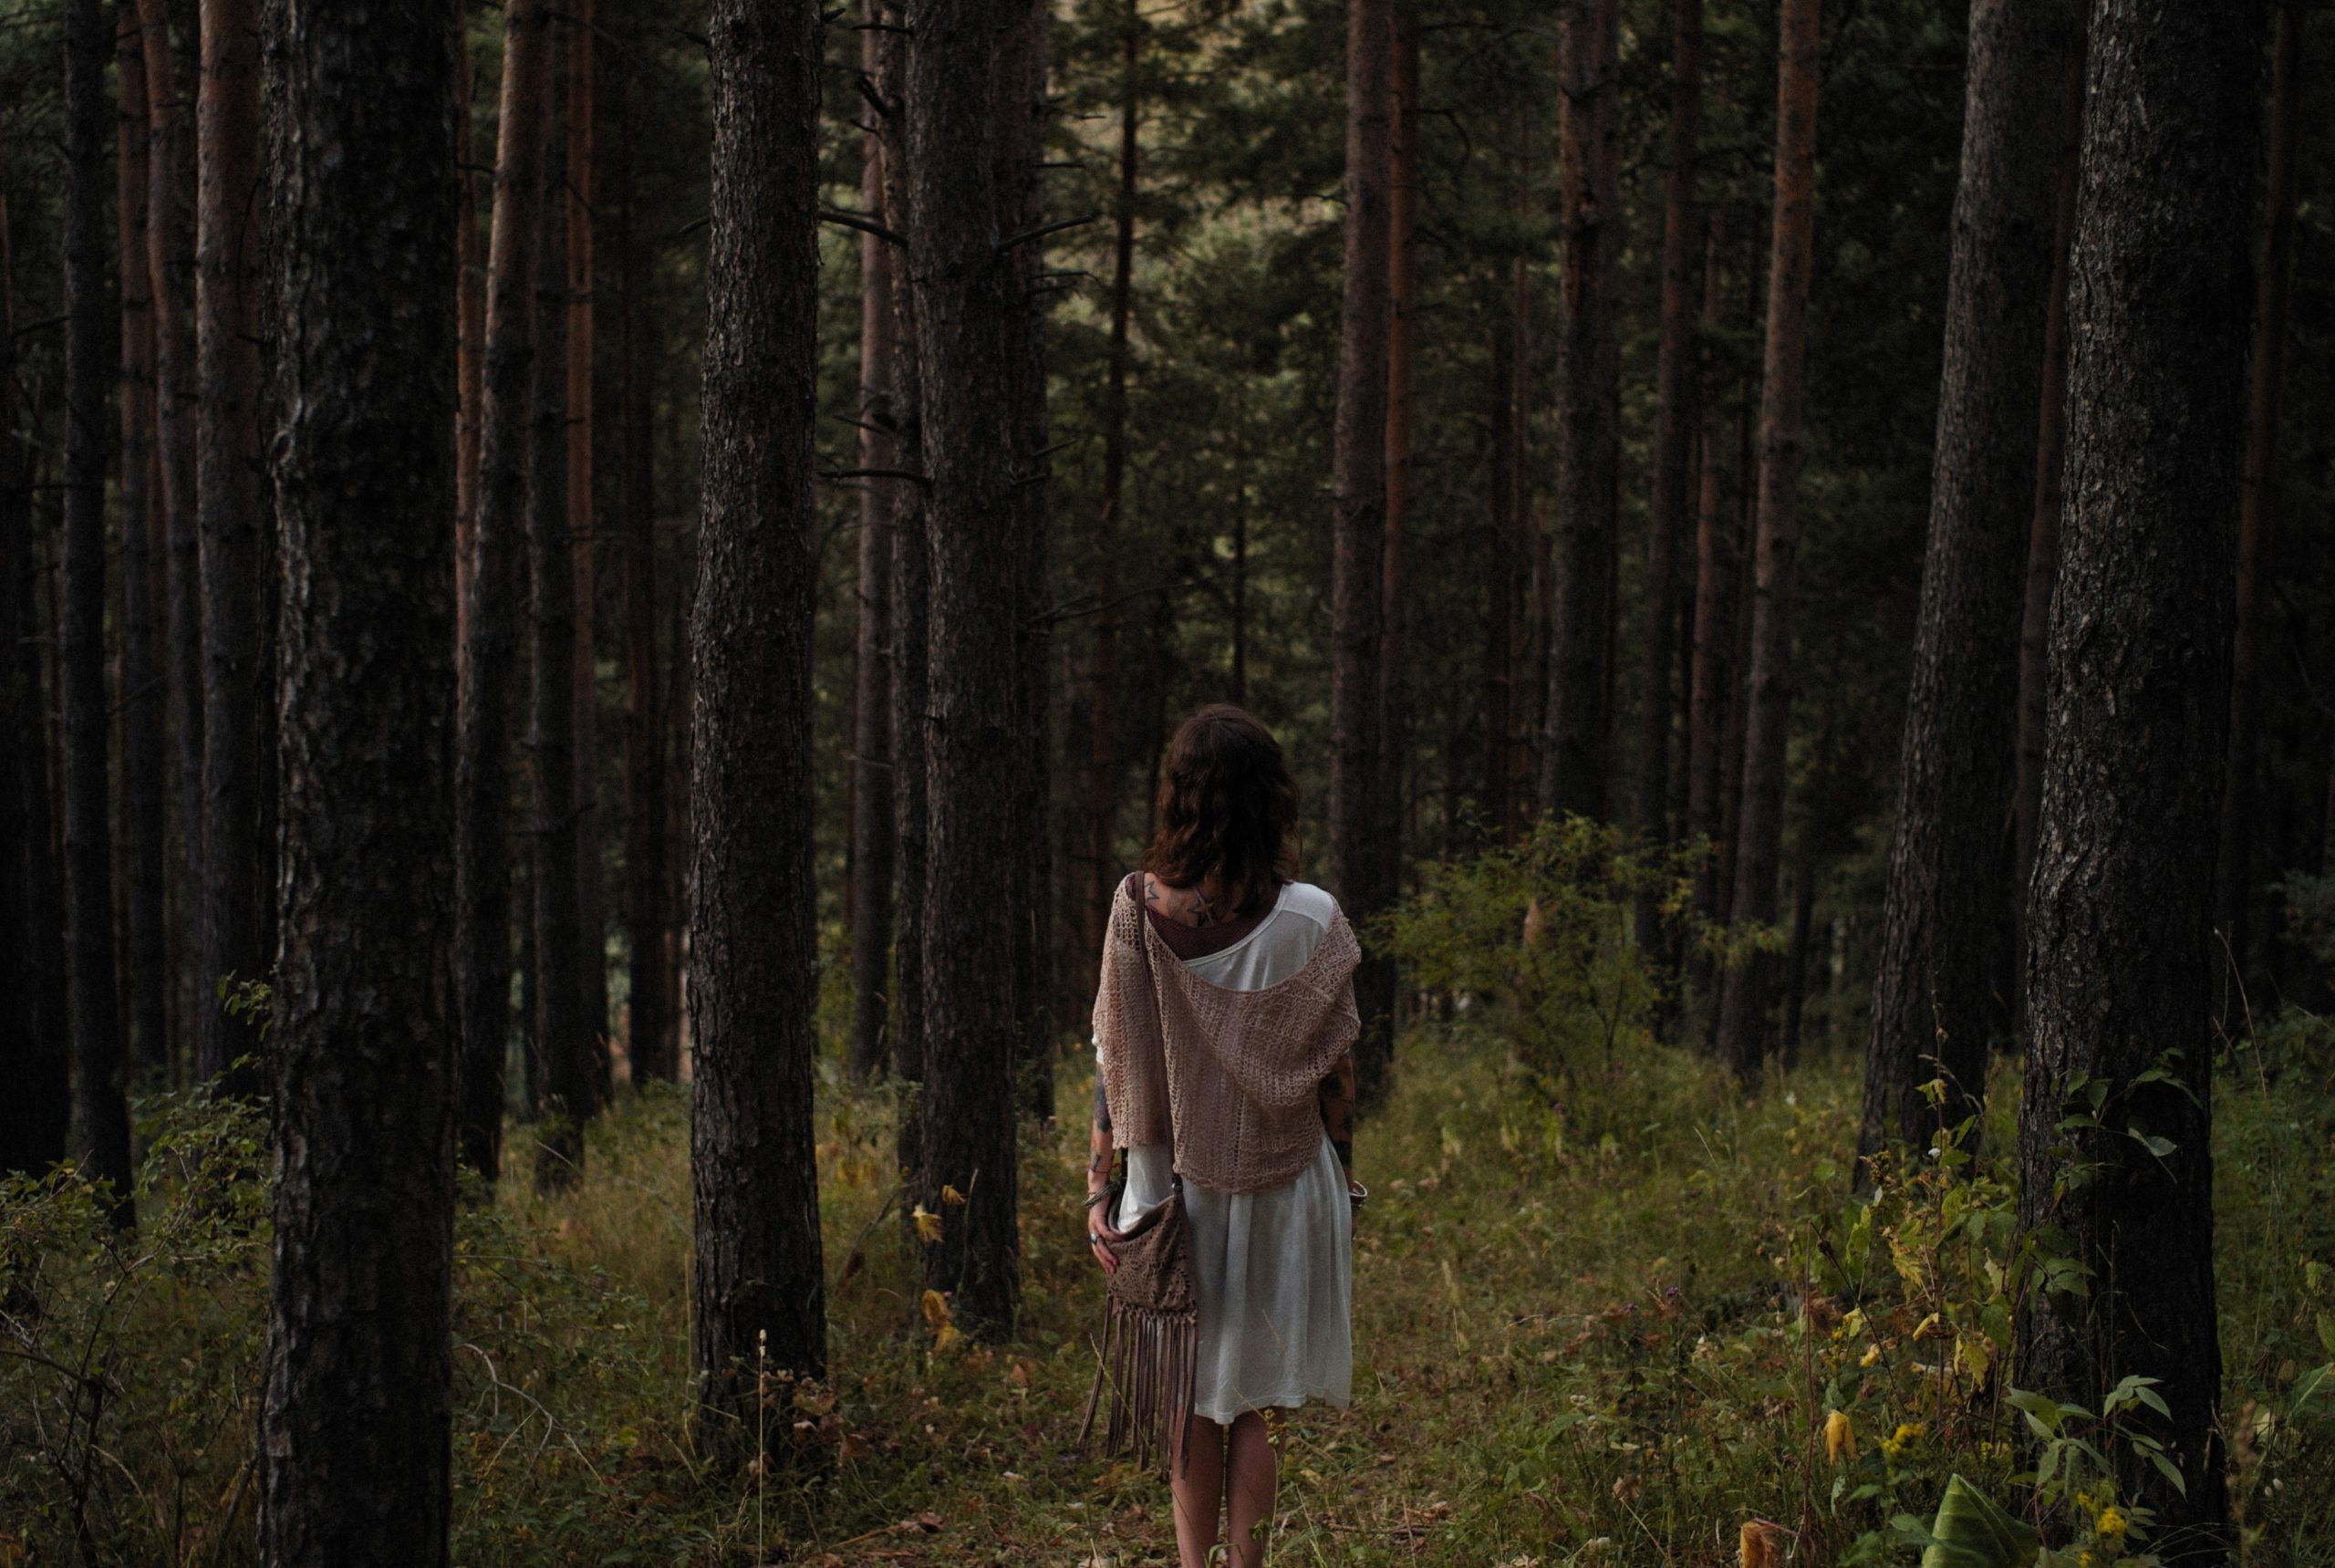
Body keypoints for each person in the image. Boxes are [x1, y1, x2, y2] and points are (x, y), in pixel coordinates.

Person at [1087, 703, 1364, 1568]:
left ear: (1179, 796)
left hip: (1168, 1194)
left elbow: (1113, 1059)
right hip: (1283, 1184)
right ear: (1271, 797)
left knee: (1187, 1398)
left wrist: (1100, 1190)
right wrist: (1347, 1182)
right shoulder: (1313, 920)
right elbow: (1337, 1077)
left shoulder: (1136, 908)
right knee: (1248, 1407)